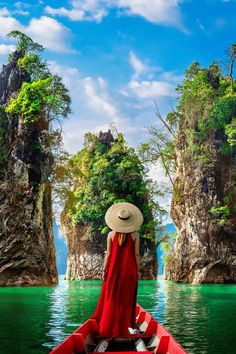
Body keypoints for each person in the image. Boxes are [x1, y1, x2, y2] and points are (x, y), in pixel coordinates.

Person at [90, 202, 143, 338]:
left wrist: (104, 270)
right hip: (130, 270)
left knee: (112, 298)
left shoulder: (110, 235)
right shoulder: (135, 235)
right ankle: (127, 326)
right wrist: (137, 270)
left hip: (113, 270)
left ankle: (111, 327)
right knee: (127, 298)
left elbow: (108, 254)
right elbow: (136, 255)